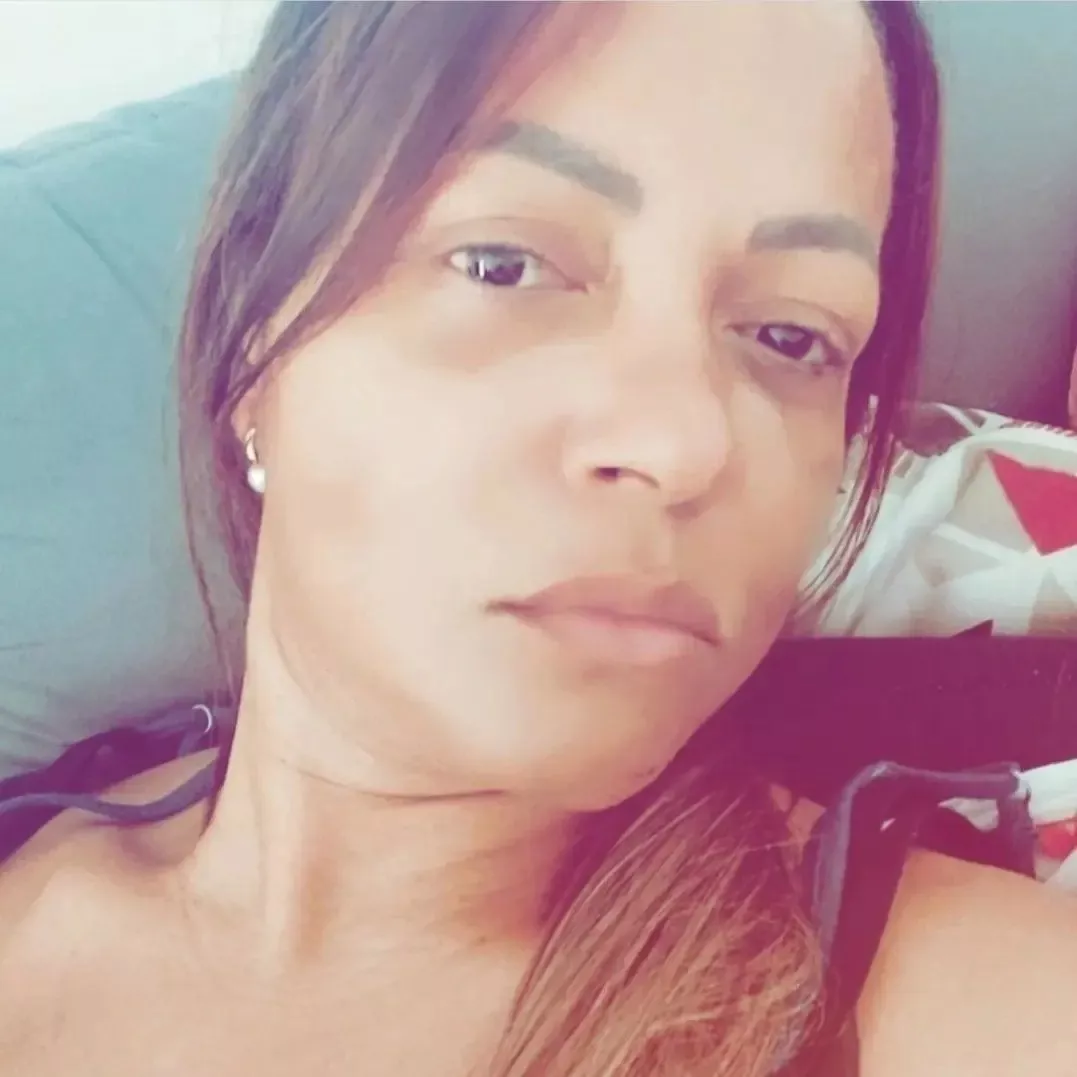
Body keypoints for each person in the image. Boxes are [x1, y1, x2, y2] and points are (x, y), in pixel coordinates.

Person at [1, 2, 1076, 1075]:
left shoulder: (979, 1010)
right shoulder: (36, 839)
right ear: (257, 333)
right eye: (503, 265)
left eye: (791, 335)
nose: (684, 442)